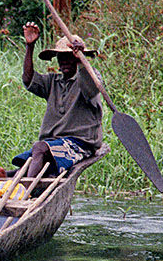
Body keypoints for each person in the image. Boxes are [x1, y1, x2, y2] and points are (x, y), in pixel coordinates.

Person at [14, 21, 104, 178]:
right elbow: (28, 80)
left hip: (80, 143)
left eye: (69, 57)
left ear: (77, 59)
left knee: (39, 148)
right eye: (61, 57)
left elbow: (91, 87)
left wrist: (82, 60)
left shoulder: (88, 77)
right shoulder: (53, 82)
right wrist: (30, 47)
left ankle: (26, 189)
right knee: (28, 162)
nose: (64, 62)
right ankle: (13, 178)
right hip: (54, 144)